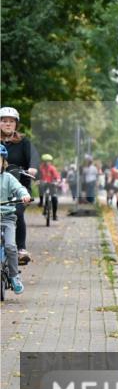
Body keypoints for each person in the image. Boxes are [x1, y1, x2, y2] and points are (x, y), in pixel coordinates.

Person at [0, 107, 39, 265]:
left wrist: (32, 167)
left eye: (11, 121)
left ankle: (21, 249)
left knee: (17, 212)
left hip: (19, 187)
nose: (8, 124)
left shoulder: (24, 142)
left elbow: (34, 157)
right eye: (4, 121)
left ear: (16, 124)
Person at [1, 145, 33, 294]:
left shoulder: (8, 178)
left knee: (11, 247)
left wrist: (24, 195)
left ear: (3, 162)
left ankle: (14, 276)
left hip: (7, 217)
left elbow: (19, 188)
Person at [38, 154, 62, 223]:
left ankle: (54, 215)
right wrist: (38, 180)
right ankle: (41, 201)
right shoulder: (41, 168)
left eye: (48, 161)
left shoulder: (52, 168)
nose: (47, 163)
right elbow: (38, 176)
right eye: (45, 161)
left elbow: (57, 176)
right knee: (41, 188)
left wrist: (57, 181)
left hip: (51, 184)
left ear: (50, 162)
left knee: (54, 198)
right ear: (43, 162)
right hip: (44, 184)